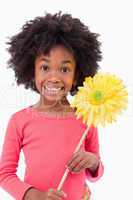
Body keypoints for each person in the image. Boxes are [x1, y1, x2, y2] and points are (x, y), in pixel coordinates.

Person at [0, 12, 104, 200]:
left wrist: (93, 161)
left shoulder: (87, 117)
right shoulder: (19, 121)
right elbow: (5, 174)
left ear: (76, 76)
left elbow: (95, 172)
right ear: (32, 72)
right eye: (45, 67)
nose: (54, 77)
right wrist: (35, 195)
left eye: (64, 69)